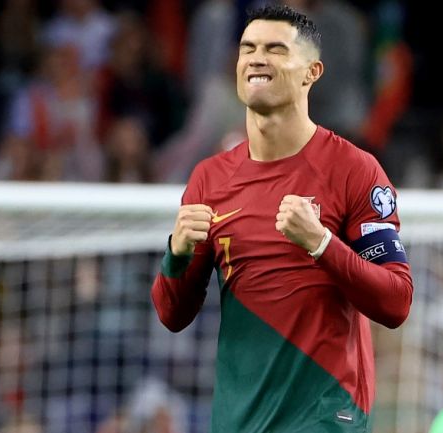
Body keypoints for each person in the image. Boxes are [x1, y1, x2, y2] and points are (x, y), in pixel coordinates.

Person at [150, 5, 413, 432]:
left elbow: (396, 301)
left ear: (311, 71)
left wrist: (323, 244)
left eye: (275, 49)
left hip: (325, 419)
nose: (257, 58)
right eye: (247, 48)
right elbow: (171, 315)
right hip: (239, 422)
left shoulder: (355, 170)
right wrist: (176, 254)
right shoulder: (209, 178)